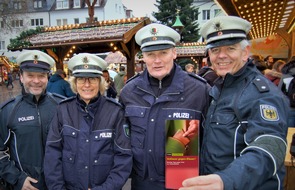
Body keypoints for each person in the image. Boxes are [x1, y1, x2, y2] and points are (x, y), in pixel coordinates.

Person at [180, 16, 289, 190]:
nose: (221, 56)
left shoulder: (263, 94)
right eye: (215, 50)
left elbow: (268, 146)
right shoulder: (220, 87)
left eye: (230, 48)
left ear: (245, 53)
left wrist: (227, 180)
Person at [119, 23, 210, 190]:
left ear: (174, 53)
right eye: (150, 54)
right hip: (142, 183)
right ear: (143, 57)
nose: (157, 60)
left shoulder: (199, 90)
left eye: (163, 53)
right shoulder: (129, 92)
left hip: (183, 183)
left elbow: (211, 142)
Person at [44, 53, 132, 190]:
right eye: (81, 79)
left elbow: (123, 158)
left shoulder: (115, 112)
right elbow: (52, 154)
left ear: (100, 82)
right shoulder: (63, 110)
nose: (86, 85)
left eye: (92, 79)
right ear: (74, 83)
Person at [0, 50, 64, 189]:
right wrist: (17, 179)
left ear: (47, 77)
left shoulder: (62, 107)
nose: (36, 81)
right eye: (30, 75)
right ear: (21, 77)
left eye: (41, 76)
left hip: (60, 184)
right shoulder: (8, 111)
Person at [278, 57, 295, 127]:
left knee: (289, 130)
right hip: (291, 106)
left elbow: (279, 90)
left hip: (288, 105)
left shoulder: (285, 74)